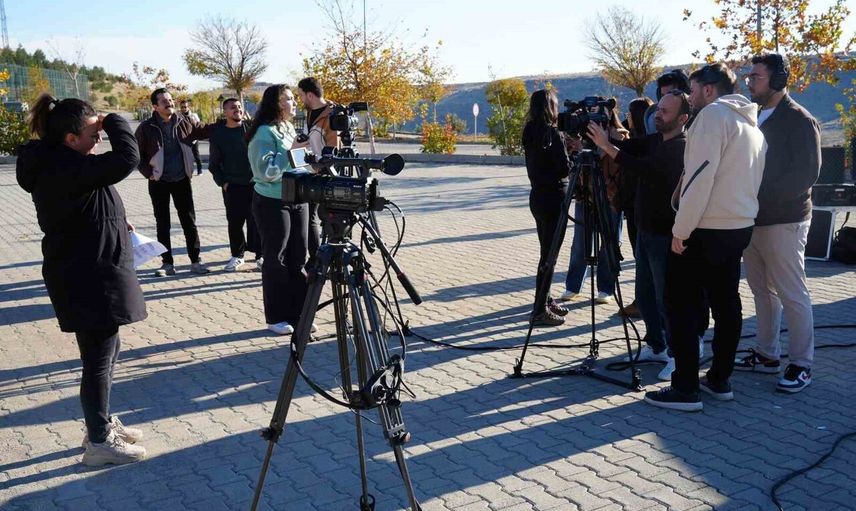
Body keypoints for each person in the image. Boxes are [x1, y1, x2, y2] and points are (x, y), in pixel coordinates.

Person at [16, 94, 147, 466]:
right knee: (97, 360)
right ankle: (100, 442)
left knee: (107, 351)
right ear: (70, 139)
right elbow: (128, 158)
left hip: (91, 269)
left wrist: (115, 219)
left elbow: (88, 200)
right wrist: (115, 119)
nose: (100, 137)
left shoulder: (66, 161)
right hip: (87, 276)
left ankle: (99, 424)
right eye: (94, 133)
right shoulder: (64, 167)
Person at [645, 63, 766, 412]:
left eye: (693, 89)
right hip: (738, 225)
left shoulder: (712, 117)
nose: (690, 95)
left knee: (681, 304)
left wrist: (680, 230)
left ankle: (685, 388)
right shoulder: (751, 124)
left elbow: (699, 178)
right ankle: (719, 379)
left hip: (706, 227)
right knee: (726, 302)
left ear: (709, 90)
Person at [587, 91, 690, 381]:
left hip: (664, 234)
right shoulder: (656, 140)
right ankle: (656, 345)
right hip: (645, 230)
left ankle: (677, 356)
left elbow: (641, 167)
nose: (658, 115)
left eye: (665, 112)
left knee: (666, 298)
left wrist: (607, 146)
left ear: (682, 118)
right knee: (645, 294)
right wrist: (603, 132)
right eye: (658, 110)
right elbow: (629, 147)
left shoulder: (680, 147)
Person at [737, 53, 821, 393]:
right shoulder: (753, 117)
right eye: (749, 76)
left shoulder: (799, 119)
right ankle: (767, 354)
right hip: (752, 219)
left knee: (792, 293)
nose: (749, 82)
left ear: (778, 80)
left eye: (756, 77)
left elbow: (806, 173)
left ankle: (801, 363)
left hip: (785, 221)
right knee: (762, 291)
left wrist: (761, 199)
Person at [248, 84, 316, 335]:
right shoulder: (263, 133)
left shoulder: (288, 127)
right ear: (275, 104)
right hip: (272, 201)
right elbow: (264, 172)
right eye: (288, 99)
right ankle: (276, 317)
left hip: (298, 197)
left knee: (298, 257)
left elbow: (296, 161)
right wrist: (291, 153)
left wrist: (310, 160)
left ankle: (299, 314)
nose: (294, 102)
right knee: (275, 259)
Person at [136, 88, 212, 277]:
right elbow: (136, 154)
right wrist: (149, 173)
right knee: (163, 224)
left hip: (181, 180)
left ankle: (196, 261)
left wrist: (226, 123)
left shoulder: (184, 121)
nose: (169, 103)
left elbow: (203, 130)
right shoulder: (146, 127)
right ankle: (167, 263)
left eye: (170, 100)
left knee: (189, 222)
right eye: (164, 101)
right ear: (155, 106)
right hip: (158, 182)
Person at [560, 102, 626, 305]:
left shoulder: (619, 135)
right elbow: (571, 158)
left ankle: (606, 288)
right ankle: (573, 286)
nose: (592, 118)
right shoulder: (582, 135)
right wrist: (576, 145)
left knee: (609, 243)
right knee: (580, 243)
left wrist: (604, 142)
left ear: (608, 113)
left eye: (597, 113)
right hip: (585, 195)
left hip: (610, 197)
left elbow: (617, 159)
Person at [522, 89, 576, 326]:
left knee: (546, 251)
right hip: (554, 197)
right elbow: (564, 168)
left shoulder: (530, 131)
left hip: (537, 196)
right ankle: (539, 310)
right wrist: (573, 153)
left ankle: (545, 298)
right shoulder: (553, 133)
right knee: (549, 256)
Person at [208, 97, 260, 272]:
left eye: (239, 106)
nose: (237, 109)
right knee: (235, 223)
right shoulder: (219, 135)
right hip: (232, 186)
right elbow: (214, 164)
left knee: (256, 221)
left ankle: (260, 255)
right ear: (225, 112)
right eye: (232, 107)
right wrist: (223, 183)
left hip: (255, 184)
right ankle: (237, 256)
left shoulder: (251, 130)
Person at [296, 77, 341, 266]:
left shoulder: (332, 115)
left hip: (328, 174)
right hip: (310, 172)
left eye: (300, 95)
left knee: (330, 220)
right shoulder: (310, 113)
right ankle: (316, 260)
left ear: (309, 95)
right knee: (310, 218)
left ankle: (330, 260)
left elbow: (334, 149)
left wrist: (321, 166)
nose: (299, 99)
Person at [616, 97, 654, 319]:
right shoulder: (648, 139)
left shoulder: (641, 144)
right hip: (636, 207)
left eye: (629, 114)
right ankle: (645, 301)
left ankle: (643, 302)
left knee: (642, 258)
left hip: (636, 208)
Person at [643, 69, 691, 135]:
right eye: (663, 96)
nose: (665, 99)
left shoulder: (699, 120)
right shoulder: (653, 118)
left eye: (670, 95)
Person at [179, 99, 204, 175]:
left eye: (185, 107)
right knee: (185, 156)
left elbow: (198, 126)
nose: (184, 108)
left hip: (194, 139)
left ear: (188, 107)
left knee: (196, 155)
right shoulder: (178, 116)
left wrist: (196, 137)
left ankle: (200, 170)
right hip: (184, 139)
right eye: (182, 107)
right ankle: (186, 170)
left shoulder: (194, 115)